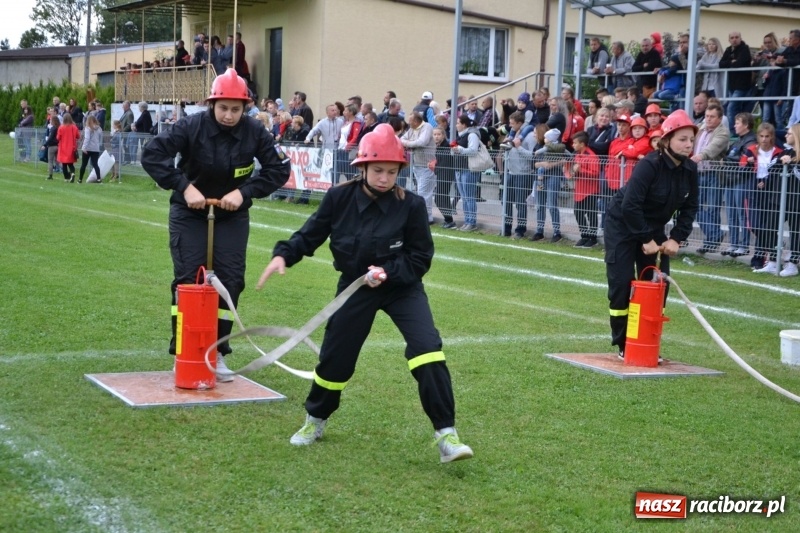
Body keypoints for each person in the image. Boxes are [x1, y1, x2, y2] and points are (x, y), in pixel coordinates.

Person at [257, 123, 473, 463]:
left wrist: (388, 272)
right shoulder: (338, 198)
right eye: (378, 170)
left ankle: (446, 435)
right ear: (362, 167)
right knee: (336, 357)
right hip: (355, 287)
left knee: (428, 350)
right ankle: (315, 420)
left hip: (402, 288)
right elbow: (310, 234)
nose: (384, 178)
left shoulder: (412, 205)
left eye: (391, 171)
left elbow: (420, 257)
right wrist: (284, 254)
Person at [140, 68, 291, 380]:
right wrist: (184, 186)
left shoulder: (255, 131)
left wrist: (244, 192)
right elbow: (152, 154)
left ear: (246, 107)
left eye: (236, 109)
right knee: (190, 280)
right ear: (212, 104)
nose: (229, 115)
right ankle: (184, 350)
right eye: (223, 108)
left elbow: (278, 169)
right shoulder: (190, 126)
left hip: (231, 215)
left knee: (230, 281)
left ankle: (218, 352)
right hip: (189, 213)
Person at [604, 109, 699, 360]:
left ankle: (646, 340)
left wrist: (675, 238)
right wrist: (646, 239)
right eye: (682, 139)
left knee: (658, 285)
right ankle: (624, 343)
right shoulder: (649, 165)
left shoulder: (690, 170)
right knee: (621, 284)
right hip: (622, 224)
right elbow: (630, 205)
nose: (688, 144)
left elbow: (690, 208)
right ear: (666, 140)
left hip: (654, 227)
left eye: (691, 139)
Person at [740, 123, 785, 272]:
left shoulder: (778, 152)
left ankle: (759, 258)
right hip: (753, 191)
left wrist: (766, 182)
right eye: (761, 136)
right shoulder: (751, 150)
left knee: (767, 226)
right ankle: (773, 246)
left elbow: (778, 172)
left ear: (772, 137)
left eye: (767, 136)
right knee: (755, 225)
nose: (764, 139)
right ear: (757, 137)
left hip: (771, 193)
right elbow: (741, 167)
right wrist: (748, 164)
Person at [690, 103, 730, 254]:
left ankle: (711, 242)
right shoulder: (699, 128)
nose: (708, 119)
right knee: (695, 206)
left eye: (712, 117)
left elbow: (713, 148)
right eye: (707, 116)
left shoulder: (723, 133)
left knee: (713, 209)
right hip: (698, 173)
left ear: (720, 118)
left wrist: (701, 156)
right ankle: (715, 235)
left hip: (714, 173)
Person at [721, 112, 756, 258]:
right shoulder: (738, 140)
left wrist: (729, 159)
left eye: (737, 123)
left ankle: (744, 245)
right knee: (731, 214)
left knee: (742, 214)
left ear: (746, 125)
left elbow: (745, 158)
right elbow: (733, 156)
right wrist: (730, 159)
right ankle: (733, 244)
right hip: (731, 180)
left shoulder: (751, 140)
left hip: (742, 180)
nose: (734, 126)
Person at [502, 111, 536, 239]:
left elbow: (533, 156)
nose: (510, 126)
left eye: (512, 124)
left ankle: (520, 230)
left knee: (520, 202)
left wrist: (519, 147)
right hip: (511, 172)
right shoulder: (513, 134)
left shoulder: (530, 136)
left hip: (523, 174)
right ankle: (506, 227)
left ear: (520, 123)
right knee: (506, 200)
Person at [569, 131, 601, 248]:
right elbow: (574, 170)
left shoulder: (592, 156)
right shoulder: (577, 155)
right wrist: (572, 172)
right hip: (580, 190)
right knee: (578, 212)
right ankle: (584, 235)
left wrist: (580, 170)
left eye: (575, 143)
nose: (573, 145)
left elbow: (595, 173)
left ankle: (593, 238)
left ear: (582, 144)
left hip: (590, 191)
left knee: (591, 214)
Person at [451, 115, 482, 232]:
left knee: (469, 197)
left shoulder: (472, 135)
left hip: (468, 169)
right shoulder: (461, 135)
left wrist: (460, 149)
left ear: (464, 125)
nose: (456, 125)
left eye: (458, 123)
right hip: (459, 168)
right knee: (464, 197)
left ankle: (472, 222)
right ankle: (467, 221)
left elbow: (473, 150)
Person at [777, 124, 800, 277]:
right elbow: (772, 166)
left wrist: (791, 163)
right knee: (770, 225)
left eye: (789, 133)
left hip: (797, 200)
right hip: (787, 199)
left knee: (796, 231)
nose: (786, 135)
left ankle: (793, 264)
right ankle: (774, 260)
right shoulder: (787, 152)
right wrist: (783, 161)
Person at [431, 126, 457, 229]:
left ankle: (449, 220)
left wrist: (435, 168)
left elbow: (445, 163)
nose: (436, 136)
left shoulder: (445, 146)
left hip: (445, 174)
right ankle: (448, 220)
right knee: (442, 197)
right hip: (442, 174)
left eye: (439, 134)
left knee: (439, 198)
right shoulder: (440, 146)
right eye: (435, 134)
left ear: (443, 135)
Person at [78, 115, 103, 184]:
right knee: (95, 164)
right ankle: (99, 179)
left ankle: (80, 179)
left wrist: (84, 147)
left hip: (88, 148)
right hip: (95, 148)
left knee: (84, 164)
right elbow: (100, 138)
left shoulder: (88, 128)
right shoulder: (99, 128)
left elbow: (87, 138)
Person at [56, 113, 80, 182]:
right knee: (71, 164)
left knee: (64, 164)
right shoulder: (74, 127)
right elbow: (78, 136)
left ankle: (66, 177)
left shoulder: (61, 127)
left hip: (63, 148)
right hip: (71, 148)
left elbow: (58, 138)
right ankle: (72, 174)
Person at [43, 115, 59, 180]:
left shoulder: (53, 128)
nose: (50, 121)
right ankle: (66, 173)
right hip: (58, 145)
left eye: (51, 120)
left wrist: (45, 145)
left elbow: (50, 138)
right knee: (58, 160)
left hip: (52, 146)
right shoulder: (59, 127)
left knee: (50, 161)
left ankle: (50, 175)